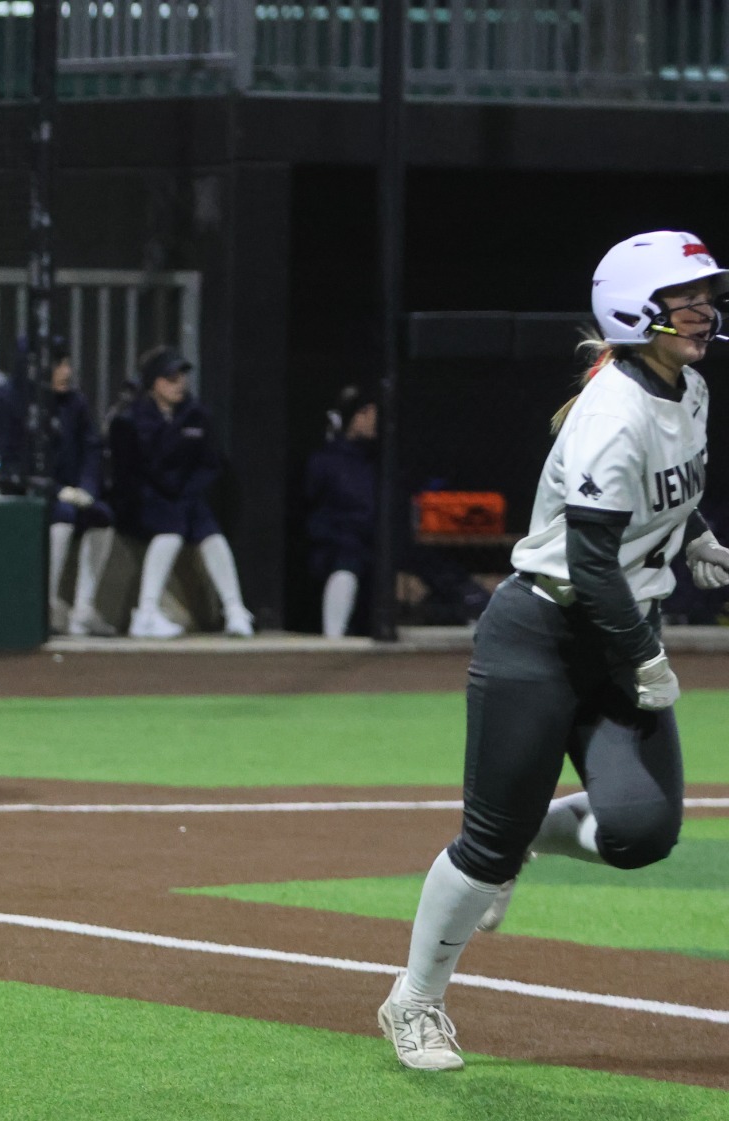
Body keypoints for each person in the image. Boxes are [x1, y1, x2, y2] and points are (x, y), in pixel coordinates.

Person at [376, 230, 729, 1071]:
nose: (704, 312)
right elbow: (591, 561)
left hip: (613, 624)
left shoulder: (689, 389)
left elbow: (663, 495)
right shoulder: (613, 409)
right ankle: (414, 1001)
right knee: (484, 845)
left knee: (642, 833)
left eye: (707, 296)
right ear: (633, 309)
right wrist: (643, 657)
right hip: (543, 632)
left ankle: (533, 833)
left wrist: (696, 539)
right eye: (686, 298)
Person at [107, 347, 254, 638]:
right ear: (154, 383)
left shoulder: (196, 414)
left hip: (186, 497)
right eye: (170, 378)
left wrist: (187, 491)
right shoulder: (131, 418)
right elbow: (133, 471)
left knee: (211, 533)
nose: (179, 384)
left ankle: (235, 609)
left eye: (181, 377)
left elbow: (210, 463)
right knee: (171, 527)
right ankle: (146, 613)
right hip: (146, 499)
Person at [0, 335, 116, 635]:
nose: (65, 372)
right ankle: (46, 604)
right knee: (63, 517)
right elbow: (8, 460)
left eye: (66, 363)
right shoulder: (7, 399)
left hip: (71, 491)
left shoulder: (74, 401)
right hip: (24, 493)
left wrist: (87, 488)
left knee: (101, 516)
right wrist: (54, 490)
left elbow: (92, 447)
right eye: (58, 365)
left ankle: (83, 609)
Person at [305, 386, 378, 638]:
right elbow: (312, 509)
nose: (372, 419)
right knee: (347, 561)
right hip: (335, 546)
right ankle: (333, 638)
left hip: (372, 544)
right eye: (365, 412)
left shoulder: (376, 461)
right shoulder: (325, 460)